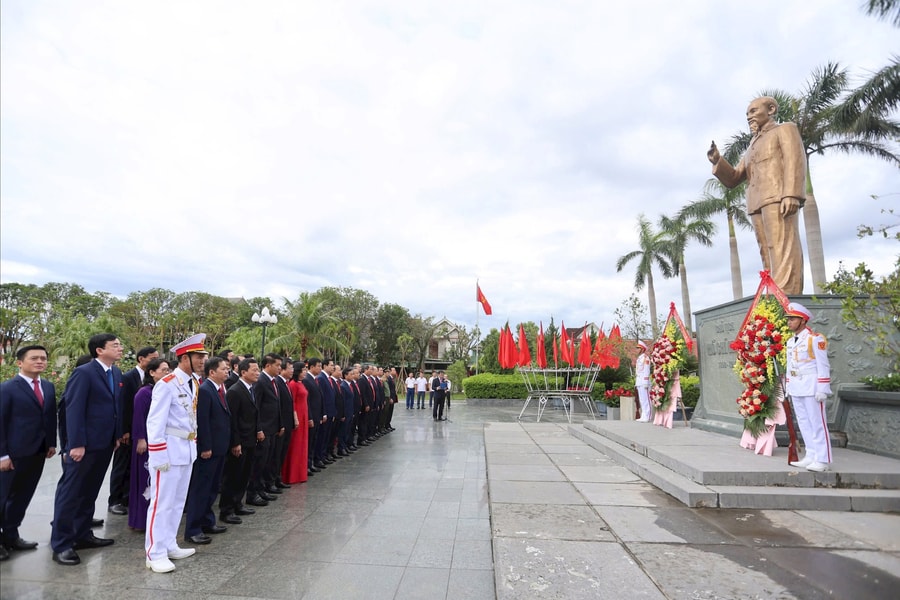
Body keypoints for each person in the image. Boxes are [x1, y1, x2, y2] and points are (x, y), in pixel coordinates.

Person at [708, 95, 806, 294]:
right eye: (747, 113)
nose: (749, 117)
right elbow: (734, 178)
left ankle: (787, 296)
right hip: (756, 202)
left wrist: (792, 194)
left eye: (753, 111)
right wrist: (717, 161)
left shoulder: (785, 129)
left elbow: (794, 160)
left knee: (782, 247)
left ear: (770, 109)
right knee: (767, 251)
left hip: (779, 197)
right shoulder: (752, 145)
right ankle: (772, 293)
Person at [50, 333, 123, 566]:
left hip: (105, 443)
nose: (120, 348)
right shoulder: (84, 373)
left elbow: (115, 407)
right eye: (115, 345)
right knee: (71, 493)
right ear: (99, 350)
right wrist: (76, 443)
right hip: (84, 445)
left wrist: (117, 435)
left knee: (89, 492)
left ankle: (82, 535)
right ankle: (61, 544)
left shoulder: (116, 372)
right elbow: (73, 409)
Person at [144, 333, 207, 573]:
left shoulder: (194, 382)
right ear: (184, 357)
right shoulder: (167, 383)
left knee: (178, 501)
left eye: (203, 356)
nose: (203, 360)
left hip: (186, 449)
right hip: (168, 451)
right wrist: (158, 455)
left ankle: (169, 543)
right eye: (198, 356)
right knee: (162, 503)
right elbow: (155, 422)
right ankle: (154, 552)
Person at [0, 345, 57, 561]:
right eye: (34, 358)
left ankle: (11, 535)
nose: (40, 362)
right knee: (3, 498)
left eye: (43, 358)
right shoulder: (7, 388)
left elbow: (50, 417)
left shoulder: (48, 387)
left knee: (22, 497)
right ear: (20, 363)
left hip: (37, 452)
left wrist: (50, 443)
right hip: (12, 454)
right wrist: (2, 455)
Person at [184, 356, 232, 546]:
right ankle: (193, 529)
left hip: (220, 446)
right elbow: (202, 421)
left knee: (212, 488)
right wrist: (205, 447)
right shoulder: (205, 390)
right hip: (209, 449)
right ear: (212, 372)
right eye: (223, 369)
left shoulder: (220, 389)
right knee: (201, 489)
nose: (227, 372)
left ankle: (207, 521)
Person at [109, 346, 158, 517]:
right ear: (141, 359)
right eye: (152, 358)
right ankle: (114, 500)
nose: (155, 361)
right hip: (128, 431)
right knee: (121, 465)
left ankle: (128, 498)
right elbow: (123, 405)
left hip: (143, 431)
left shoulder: (153, 381)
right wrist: (124, 430)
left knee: (134, 467)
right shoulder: (129, 377)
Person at [784, 302, 833, 472]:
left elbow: (823, 365)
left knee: (817, 423)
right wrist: (788, 385)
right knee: (804, 423)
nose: (789, 322)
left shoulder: (815, 338)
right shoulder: (791, 341)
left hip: (812, 386)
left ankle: (823, 459)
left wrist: (823, 388)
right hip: (797, 386)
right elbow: (790, 365)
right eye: (788, 319)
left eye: (793, 319)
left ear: (803, 320)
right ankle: (811, 454)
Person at [128, 357, 170, 531]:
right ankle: (140, 520)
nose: (167, 373)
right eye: (163, 370)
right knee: (145, 480)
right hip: (145, 442)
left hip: (160, 441)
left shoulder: (164, 389)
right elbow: (138, 417)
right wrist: (140, 439)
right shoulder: (144, 393)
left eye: (169, 370)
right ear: (152, 373)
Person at [219, 358, 261, 524]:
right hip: (240, 441)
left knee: (244, 475)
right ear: (244, 372)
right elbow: (233, 419)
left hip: (250, 439)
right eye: (254, 370)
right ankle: (226, 510)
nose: (257, 373)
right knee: (233, 476)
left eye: (258, 370)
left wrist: (258, 431)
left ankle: (238, 504)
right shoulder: (235, 391)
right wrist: (235, 442)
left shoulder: (251, 389)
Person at [282, 361, 309, 483]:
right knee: (295, 446)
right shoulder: (293, 384)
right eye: (303, 370)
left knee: (302, 446)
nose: (305, 372)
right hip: (297, 415)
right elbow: (291, 402)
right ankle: (291, 475)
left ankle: (300, 474)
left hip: (304, 415)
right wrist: (295, 417)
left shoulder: (301, 383)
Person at [635, 341, 652, 422]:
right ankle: (644, 415)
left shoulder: (646, 358)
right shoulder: (639, 358)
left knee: (646, 399)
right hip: (639, 381)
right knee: (642, 399)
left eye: (638, 348)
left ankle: (648, 416)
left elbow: (646, 370)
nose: (636, 349)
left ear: (642, 349)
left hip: (644, 382)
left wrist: (646, 381)